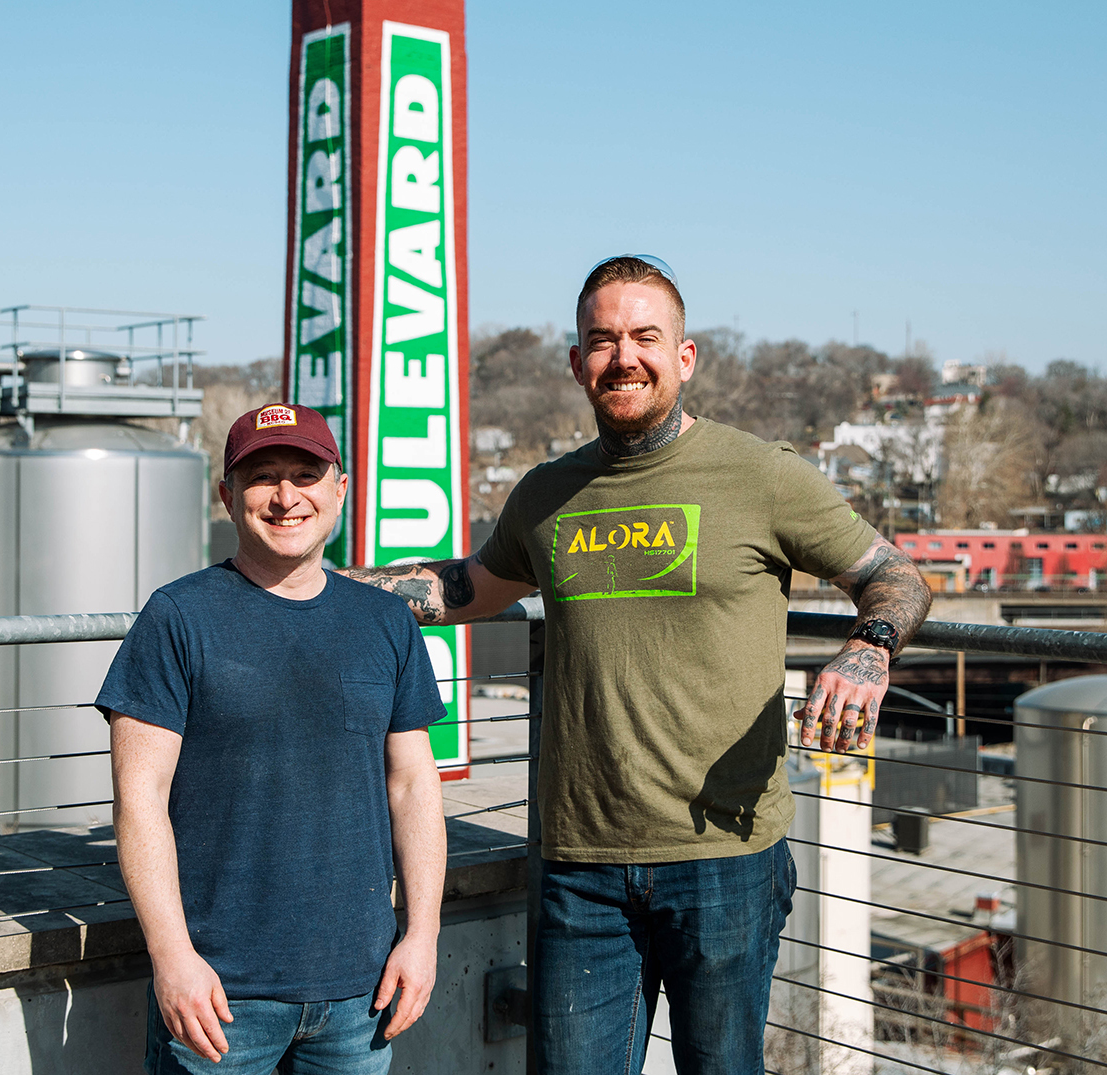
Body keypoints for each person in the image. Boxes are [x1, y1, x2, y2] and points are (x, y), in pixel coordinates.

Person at [341, 256, 931, 1074]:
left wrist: (869, 650)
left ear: (684, 357)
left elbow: (894, 575)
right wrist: (322, 585)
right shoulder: (547, 492)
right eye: (602, 339)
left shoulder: (762, 474)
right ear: (578, 361)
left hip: (724, 858)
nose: (624, 356)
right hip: (579, 866)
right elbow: (468, 584)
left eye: (645, 337)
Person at [99, 402, 448, 1074]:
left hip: (361, 991)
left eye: (305, 474)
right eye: (263, 478)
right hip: (219, 996)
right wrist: (171, 956)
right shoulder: (177, 616)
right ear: (227, 495)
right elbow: (138, 798)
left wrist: (424, 934)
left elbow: (412, 786)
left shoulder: (386, 622)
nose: (287, 496)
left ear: (339, 490)